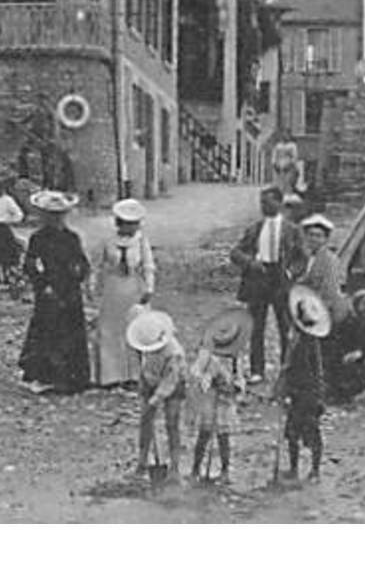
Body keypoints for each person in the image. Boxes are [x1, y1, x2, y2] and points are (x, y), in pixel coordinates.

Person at [18, 190, 91, 395]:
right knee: (47, 331)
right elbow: (31, 264)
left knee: (71, 331)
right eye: (50, 215)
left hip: (70, 290)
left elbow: (82, 263)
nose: (54, 219)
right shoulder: (38, 238)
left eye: (58, 215)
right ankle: (44, 375)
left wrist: (78, 273)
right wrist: (42, 284)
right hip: (48, 290)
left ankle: (72, 377)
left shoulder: (72, 238)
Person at [228, 186, 304, 383]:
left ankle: (287, 370)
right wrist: (250, 262)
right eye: (261, 203)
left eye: (268, 202)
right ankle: (257, 370)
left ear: (279, 203)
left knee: (285, 326)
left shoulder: (292, 230)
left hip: (280, 279)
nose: (263, 206)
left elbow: (301, 258)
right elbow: (235, 252)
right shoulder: (254, 229)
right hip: (259, 278)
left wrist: (290, 272)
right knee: (256, 327)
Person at [90, 199, 156, 388]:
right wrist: (94, 288)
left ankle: (134, 375)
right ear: (119, 223)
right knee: (110, 330)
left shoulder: (141, 241)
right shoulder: (108, 241)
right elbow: (97, 266)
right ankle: (110, 375)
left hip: (134, 287)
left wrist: (149, 288)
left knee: (134, 328)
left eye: (135, 223)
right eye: (127, 223)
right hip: (113, 288)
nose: (132, 228)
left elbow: (148, 266)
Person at [275, 286, 331, 481]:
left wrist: (318, 394)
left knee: (311, 431)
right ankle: (293, 467)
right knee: (292, 432)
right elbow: (287, 365)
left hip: (308, 392)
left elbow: (316, 371)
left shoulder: (310, 342)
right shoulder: (294, 338)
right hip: (296, 389)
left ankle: (315, 469)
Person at [188, 307, 248, 484]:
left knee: (223, 437)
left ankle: (225, 469)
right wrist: (206, 380)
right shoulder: (208, 353)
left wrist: (236, 387)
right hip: (209, 400)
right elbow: (196, 371)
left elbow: (240, 379)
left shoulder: (236, 357)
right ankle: (195, 468)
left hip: (225, 401)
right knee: (204, 434)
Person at [126, 309, 186, 483]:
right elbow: (144, 366)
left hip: (173, 385)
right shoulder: (144, 342)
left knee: (172, 422)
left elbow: (171, 380)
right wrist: (145, 387)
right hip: (150, 381)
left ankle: (175, 468)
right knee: (145, 421)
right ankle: (142, 461)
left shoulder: (174, 353)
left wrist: (157, 398)